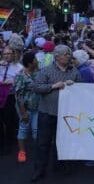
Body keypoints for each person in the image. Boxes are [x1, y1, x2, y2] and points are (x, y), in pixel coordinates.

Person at [31, 45, 81, 183]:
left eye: (69, 54)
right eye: (66, 54)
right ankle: (39, 171)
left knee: (63, 142)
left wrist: (74, 86)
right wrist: (53, 86)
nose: (69, 56)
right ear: (57, 56)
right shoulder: (46, 70)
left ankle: (60, 168)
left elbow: (81, 91)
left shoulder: (75, 72)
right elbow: (35, 87)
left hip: (66, 114)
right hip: (47, 112)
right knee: (43, 143)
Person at [14, 51, 40, 163]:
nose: (37, 61)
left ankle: (37, 151)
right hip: (25, 108)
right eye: (35, 59)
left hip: (38, 107)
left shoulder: (38, 72)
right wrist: (23, 112)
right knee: (23, 128)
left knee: (36, 130)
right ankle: (22, 152)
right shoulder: (20, 75)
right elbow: (19, 96)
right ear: (30, 63)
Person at [0, 46, 23, 156]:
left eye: (9, 53)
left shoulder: (18, 67)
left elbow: (21, 82)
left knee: (8, 121)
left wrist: (13, 81)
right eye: (5, 54)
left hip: (10, 97)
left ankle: (9, 143)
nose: (6, 55)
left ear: (13, 55)